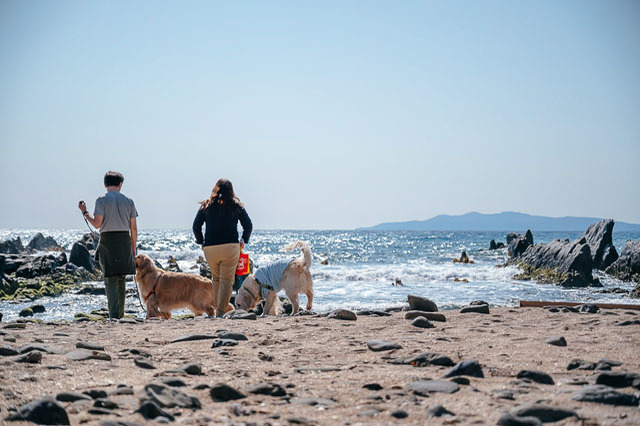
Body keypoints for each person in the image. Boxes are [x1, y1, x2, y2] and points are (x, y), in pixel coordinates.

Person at [78, 171, 138, 319]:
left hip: (108, 239)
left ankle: (114, 315)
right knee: (121, 278)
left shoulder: (101, 200)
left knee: (110, 278)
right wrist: (133, 247)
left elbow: (97, 224)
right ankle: (121, 315)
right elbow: (134, 228)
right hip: (124, 239)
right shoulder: (129, 201)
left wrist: (85, 212)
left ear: (105, 184)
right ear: (120, 185)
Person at [193, 178, 252, 317]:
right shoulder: (236, 206)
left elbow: (196, 226)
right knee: (227, 280)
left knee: (217, 278)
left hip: (210, 249)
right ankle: (220, 312)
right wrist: (243, 240)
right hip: (230, 248)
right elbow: (248, 225)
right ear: (231, 191)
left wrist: (201, 242)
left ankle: (219, 310)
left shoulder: (206, 206)